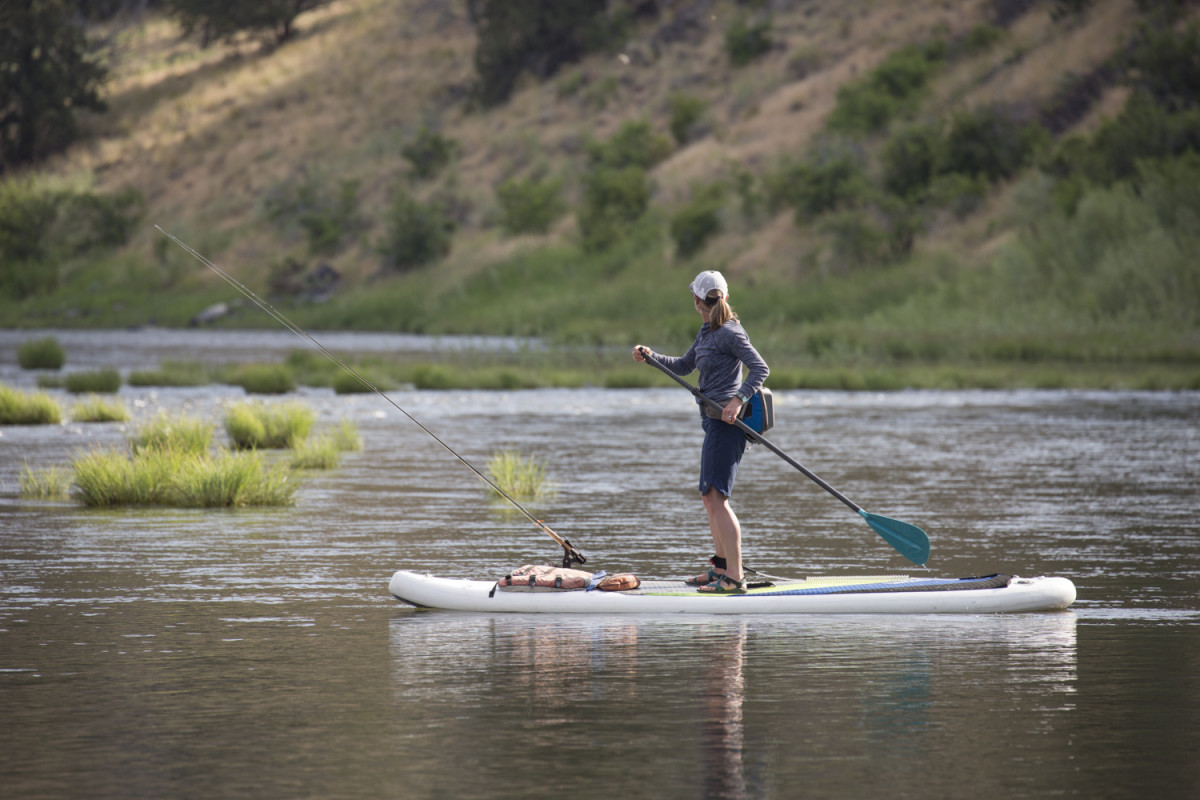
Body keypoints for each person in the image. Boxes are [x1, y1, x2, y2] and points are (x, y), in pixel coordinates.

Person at [633, 270, 769, 593]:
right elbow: (683, 366)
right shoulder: (707, 332)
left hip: (729, 426)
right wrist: (651, 357)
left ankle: (735, 579)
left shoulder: (732, 333)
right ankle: (720, 569)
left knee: (717, 500)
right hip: (712, 422)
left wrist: (739, 399)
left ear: (696, 301)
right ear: (724, 296)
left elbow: (760, 368)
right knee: (709, 498)